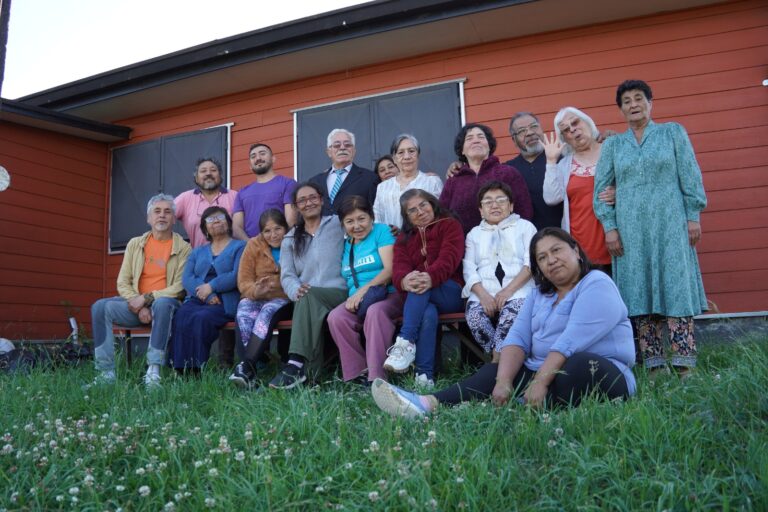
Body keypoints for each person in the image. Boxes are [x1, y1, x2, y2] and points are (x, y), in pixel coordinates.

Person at [372, 227, 636, 418]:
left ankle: (529, 402)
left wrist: (540, 382)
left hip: (601, 374)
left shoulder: (596, 283)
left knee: (577, 364)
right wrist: (503, 381)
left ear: (576, 251)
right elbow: (516, 339)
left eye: (556, 250)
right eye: (542, 257)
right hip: (543, 371)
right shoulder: (539, 294)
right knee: (497, 370)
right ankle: (426, 403)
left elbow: (570, 341)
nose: (551, 260)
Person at [594, 79, 708, 375]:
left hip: (671, 226)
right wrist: (610, 227)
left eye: (638, 98)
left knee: (676, 287)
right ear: (621, 110)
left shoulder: (672, 133)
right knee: (638, 290)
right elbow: (601, 190)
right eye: (627, 101)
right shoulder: (614, 145)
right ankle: (655, 366)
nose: (633, 105)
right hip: (630, 232)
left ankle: (684, 363)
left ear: (650, 103)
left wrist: (693, 215)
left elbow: (690, 175)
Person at [89, 194, 191, 387]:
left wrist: (147, 298)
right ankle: (106, 373)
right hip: (136, 306)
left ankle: (153, 371)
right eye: (157, 211)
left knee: (162, 303)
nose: (162, 215)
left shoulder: (184, 248)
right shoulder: (135, 244)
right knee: (100, 307)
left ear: (174, 219)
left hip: (166, 307)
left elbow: (179, 287)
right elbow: (123, 282)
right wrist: (139, 304)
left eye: (167, 212)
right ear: (148, 218)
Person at [268, 183, 348, 389]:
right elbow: (287, 275)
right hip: (308, 298)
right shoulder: (290, 238)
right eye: (302, 200)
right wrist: (295, 289)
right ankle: (312, 378)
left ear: (321, 200)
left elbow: (364, 227)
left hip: (340, 293)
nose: (308, 203)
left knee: (309, 296)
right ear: (296, 207)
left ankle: (294, 364)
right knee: (306, 295)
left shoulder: (338, 224)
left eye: (313, 197)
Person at [383, 189, 465, 388]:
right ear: (407, 216)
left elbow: (449, 258)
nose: (420, 212)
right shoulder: (404, 239)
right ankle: (424, 377)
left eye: (423, 205)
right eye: (412, 210)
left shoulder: (449, 225)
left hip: (450, 291)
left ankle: (405, 341)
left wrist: (429, 277)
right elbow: (399, 268)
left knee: (419, 286)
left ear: (432, 204)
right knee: (427, 312)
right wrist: (404, 281)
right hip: (421, 299)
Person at [328, 196, 401, 385]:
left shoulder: (382, 232)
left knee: (375, 312)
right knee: (336, 317)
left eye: (361, 219)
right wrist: (358, 295)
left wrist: (361, 292)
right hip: (359, 300)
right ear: (343, 224)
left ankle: (377, 377)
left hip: (388, 293)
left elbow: (390, 270)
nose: (357, 226)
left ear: (371, 217)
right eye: (349, 221)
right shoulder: (346, 246)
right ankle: (357, 374)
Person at [463, 181, 536, 361]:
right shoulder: (474, 234)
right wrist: (483, 296)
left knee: (511, 317)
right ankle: (501, 356)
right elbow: (469, 268)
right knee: (475, 318)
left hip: (519, 288)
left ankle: (497, 362)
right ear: (481, 210)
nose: (494, 205)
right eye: (488, 202)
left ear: (511, 206)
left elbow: (531, 263)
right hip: (484, 291)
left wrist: (508, 291)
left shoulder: (525, 227)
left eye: (501, 200)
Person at [169, 207, 245, 372]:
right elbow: (187, 278)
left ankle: (196, 368)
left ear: (228, 223)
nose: (216, 221)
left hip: (224, 301)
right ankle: (180, 369)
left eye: (220, 217)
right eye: (210, 219)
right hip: (199, 298)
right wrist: (207, 294)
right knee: (181, 315)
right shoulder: (197, 251)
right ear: (205, 228)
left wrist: (211, 286)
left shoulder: (240, 247)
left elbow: (236, 275)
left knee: (201, 318)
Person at [542, 107, 614, 273]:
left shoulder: (612, 151)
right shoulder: (564, 165)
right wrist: (551, 161)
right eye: (566, 130)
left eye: (575, 122)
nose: (572, 130)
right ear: (564, 139)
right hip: (582, 246)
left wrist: (620, 193)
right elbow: (551, 198)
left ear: (588, 122)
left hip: (616, 239)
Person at [229, 209, 294, 388]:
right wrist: (256, 291)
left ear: (285, 228)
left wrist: (275, 285)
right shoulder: (253, 245)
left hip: (284, 297)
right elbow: (244, 281)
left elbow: (301, 276)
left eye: (278, 229)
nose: (273, 235)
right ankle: (250, 369)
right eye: (267, 231)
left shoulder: (294, 242)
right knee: (243, 312)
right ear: (261, 233)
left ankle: (246, 367)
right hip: (257, 295)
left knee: (266, 312)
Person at [440, 123, 533, 234]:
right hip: (464, 243)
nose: (476, 141)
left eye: (481, 137)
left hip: (507, 241)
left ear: (489, 146)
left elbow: (525, 210)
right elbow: (442, 216)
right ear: (462, 150)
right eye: (469, 138)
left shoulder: (508, 173)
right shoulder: (453, 180)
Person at [506, 112, 564, 229]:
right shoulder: (508, 170)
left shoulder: (561, 159)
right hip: (525, 236)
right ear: (514, 140)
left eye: (534, 126)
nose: (530, 133)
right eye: (522, 131)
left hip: (563, 232)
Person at [373, 134, 443, 229]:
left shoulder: (432, 182)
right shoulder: (383, 187)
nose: (407, 156)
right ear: (394, 159)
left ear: (418, 155)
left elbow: (441, 214)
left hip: (425, 236)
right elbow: (377, 218)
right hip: (390, 238)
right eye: (401, 152)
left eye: (411, 151)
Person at [232, 143, 297, 239]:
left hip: (280, 244)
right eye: (253, 156)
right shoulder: (242, 193)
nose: (258, 158)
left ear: (273, 159)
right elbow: (236, 227)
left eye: (262, 153)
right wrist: (251, 244)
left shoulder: (288, 184)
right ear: (250, 166)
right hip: (250, 246)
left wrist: (276, 242)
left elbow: (291, 221)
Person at [308, 128, 380, 216]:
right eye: (337, 145)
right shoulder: (314, 182)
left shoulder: (369, 178)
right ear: (329, 152)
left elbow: (376, 212)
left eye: (347, 145)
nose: (342, 148)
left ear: (354, 151)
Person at [174, 157, 238, 248]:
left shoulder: (234, 196)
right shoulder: (185, 198)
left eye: (213, 170)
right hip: (198, 255)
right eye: (203, 171)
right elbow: (165, 215)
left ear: (220, 176)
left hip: (232, 254)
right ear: (196, 178)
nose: (208, 173)